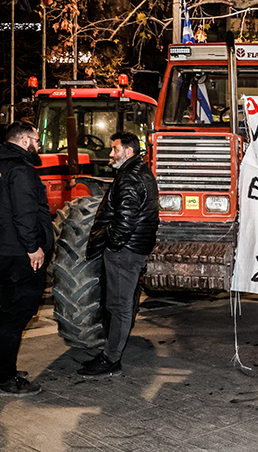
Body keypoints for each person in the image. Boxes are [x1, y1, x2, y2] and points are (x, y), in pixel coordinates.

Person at [0, 121, 52, 396]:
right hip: (17, 255)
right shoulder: (21, 169)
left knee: (7, 313)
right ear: (24, 141)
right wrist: (34, 248)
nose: (38, 146)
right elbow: (24, 213)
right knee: (16, 316)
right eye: (36, 140)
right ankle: (5, 379)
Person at [81, 131, 159, 377]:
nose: (110, 154)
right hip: (133, 250)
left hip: (125, 252)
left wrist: (112, 244)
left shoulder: (129, 178)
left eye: (115, 149)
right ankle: (110, 353)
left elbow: (125, 221)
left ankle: (111, 359)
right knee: (119, 304)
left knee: (119, 306)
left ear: (129, 151)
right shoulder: (142, 173)